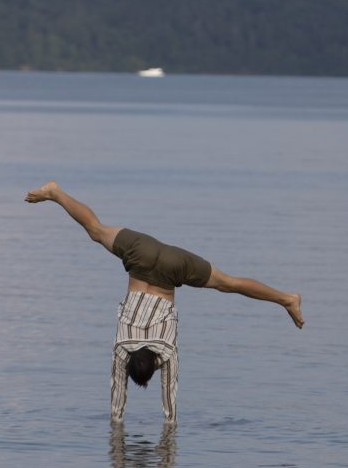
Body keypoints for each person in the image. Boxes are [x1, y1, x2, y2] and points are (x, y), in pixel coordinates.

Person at [25, 180, 304, 424]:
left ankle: (287, 299)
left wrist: (124, 429)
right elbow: (122, 396)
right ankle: (55, 192)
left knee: (226, 284)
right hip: (144, 252)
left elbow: (159, 411)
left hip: (170, 270)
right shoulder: (123, 348)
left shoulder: (166, 352)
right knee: (96, 231)